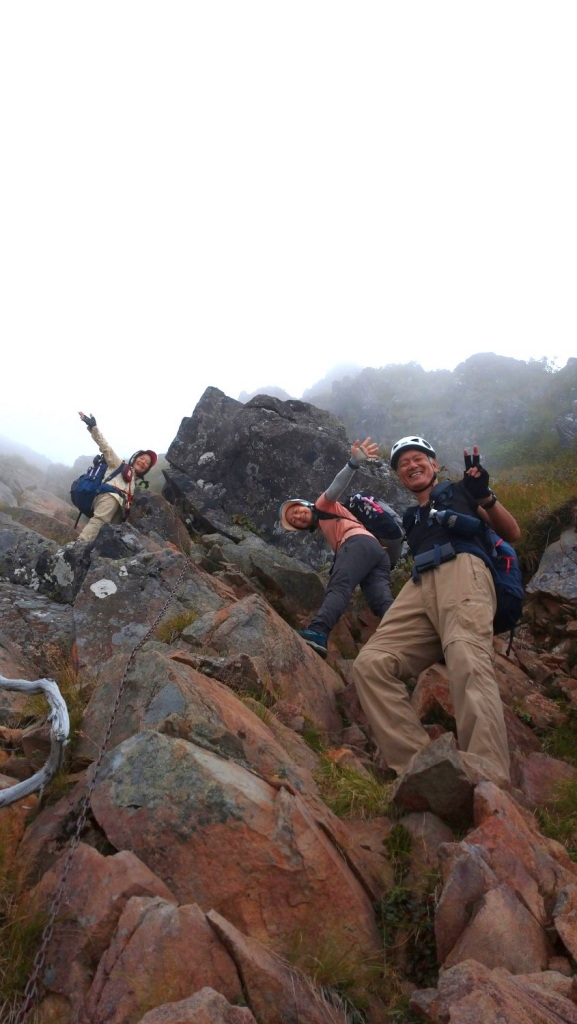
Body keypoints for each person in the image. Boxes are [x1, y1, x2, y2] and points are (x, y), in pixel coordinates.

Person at [353, 436, 521, 783]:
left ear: (433, 464)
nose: (411, 465)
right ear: (400, 477)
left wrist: (485, 495)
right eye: (403, 464)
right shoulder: (411, 518)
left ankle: (488, 779)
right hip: (419, 585)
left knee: (466, 658)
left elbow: (512, 532)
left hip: (463, 569)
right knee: (371, 664)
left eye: (418, 459)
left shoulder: (461, 491)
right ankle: (421, 771)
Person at [278, 438, 394, 658]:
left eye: (297, 511)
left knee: (339, 586)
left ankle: (318, 631)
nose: (298, 517)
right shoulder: (327, 524)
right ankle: (414, 635)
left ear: (305, 504)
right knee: (382, 602)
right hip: (377, 553)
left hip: (357, 544)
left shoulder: (323, 505)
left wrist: (352, 463)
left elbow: (336, 487)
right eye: (295, 521)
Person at [75, 412, 157, 542]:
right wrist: (93, 427)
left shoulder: (136, 485)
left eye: (147, 463)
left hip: (120, 511)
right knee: (100, 520)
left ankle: (88, 554)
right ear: (135, 458)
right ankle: (78, 546)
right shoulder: (119, 465)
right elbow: (106, 447)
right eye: (142, 458)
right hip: (110, 497)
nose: (143, 463)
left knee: (108, 536)